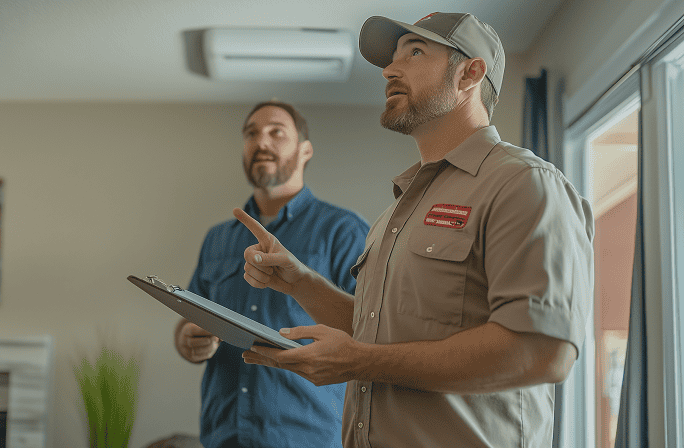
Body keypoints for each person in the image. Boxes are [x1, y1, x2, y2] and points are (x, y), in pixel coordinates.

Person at [234, 12, 594, 448]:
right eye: (392, 57)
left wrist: (362, 363)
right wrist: (301, 283)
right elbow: (376, 335)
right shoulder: (397, 211)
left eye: (415, 51)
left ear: (469, 73)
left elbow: (544, 352)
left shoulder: (524, 183)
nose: (388, 69)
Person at [174, 100, 370, 448]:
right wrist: (187, 339)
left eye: (276, 132)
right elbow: (190, 315)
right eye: (251, 133)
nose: (261, 142)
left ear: (305, 150)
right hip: (222, 436)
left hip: (310, 438)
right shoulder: (217, 238)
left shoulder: (343, 230)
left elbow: (371, 328)